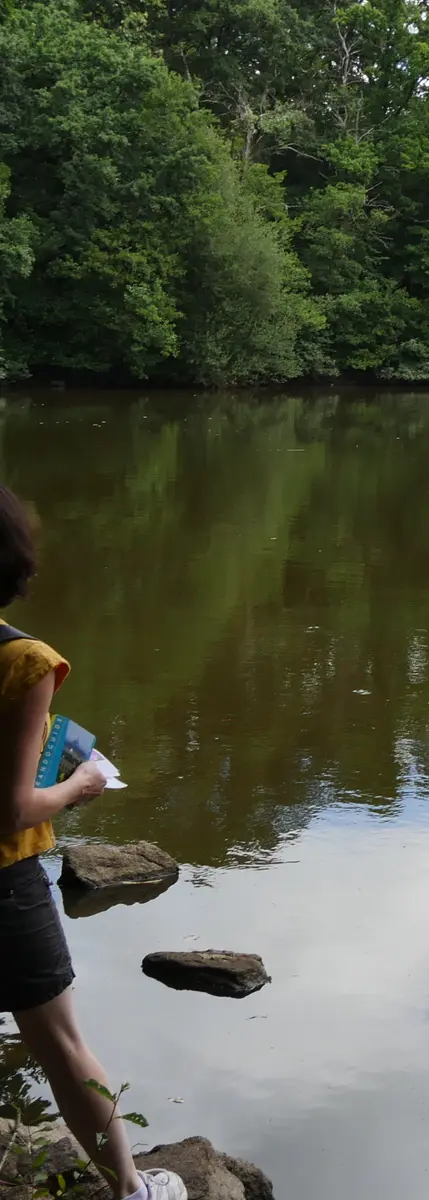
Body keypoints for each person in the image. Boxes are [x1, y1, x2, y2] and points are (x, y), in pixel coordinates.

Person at [0, 484, 187, 1200]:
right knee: (63, 1045)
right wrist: (81, 788)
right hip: (4, 884)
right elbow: (12, 810)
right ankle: (133, 1191)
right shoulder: (24, 662)